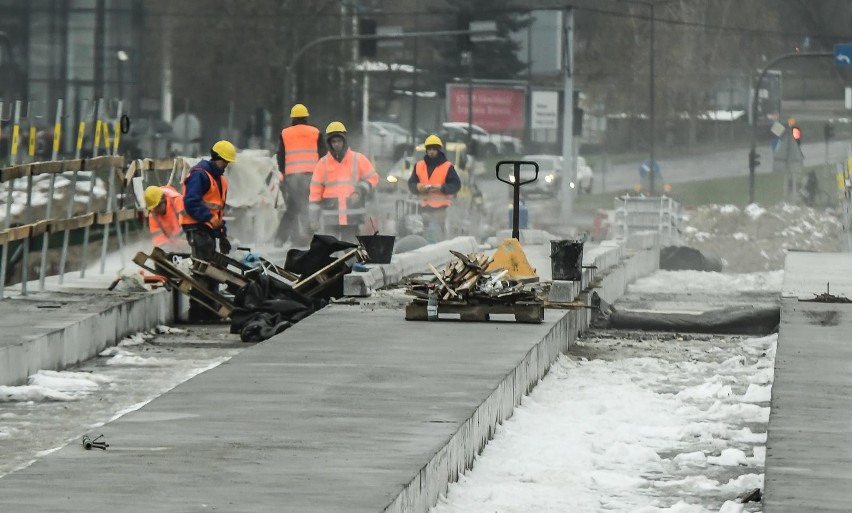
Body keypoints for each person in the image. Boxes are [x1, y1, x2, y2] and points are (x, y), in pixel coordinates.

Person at [179, 140, 236, 321]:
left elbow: (217, 212)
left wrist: (222, 234)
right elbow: (191, 202)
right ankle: (199, 311)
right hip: (197, 228)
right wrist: (209, 219)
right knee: (203, 270)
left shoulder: (219, 179)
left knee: (210, 269)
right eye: (224, 161)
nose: (226, 165)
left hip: (208, 229)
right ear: (215, 158)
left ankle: (209, 310)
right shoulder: (200, 175)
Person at [308, 121, 379, 242]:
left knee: (350, 249)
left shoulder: (358, 159)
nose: (337, 144)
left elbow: (373, 178)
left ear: (344, 141)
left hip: (352, 215)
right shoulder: (322, 163)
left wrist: (359, 190)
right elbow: (315, 193)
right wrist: (313, 219)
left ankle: (354, 261)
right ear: (329, 143)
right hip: (330, 217)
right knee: (331, 252)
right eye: (333, 141)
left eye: (339, 141)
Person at [274, 103, 324, 247]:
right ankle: (309, 238)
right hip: (312, 176)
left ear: (293, 118)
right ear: (306, 118)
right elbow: (323, 155)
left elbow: (280, 156)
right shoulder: (315, 132)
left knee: (293, 207)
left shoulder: (285, 133)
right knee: (310, 206)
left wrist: (283, 174)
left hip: (292, 177)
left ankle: (280, 239)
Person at [407, 134, 461, 242]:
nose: (431, 151)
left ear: (439, 150)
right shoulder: (419, 165)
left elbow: (456, 185)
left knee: (439, 236)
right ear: (426, 150)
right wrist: (418, 187)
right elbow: (411, 183)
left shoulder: (447, 166)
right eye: (429, 149)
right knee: (423, 234)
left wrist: (441, 187)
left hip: (440, 210)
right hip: (423, 208)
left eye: (434, 149)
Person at [144, 185, 188, 253]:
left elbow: (190, 223)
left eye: (158, 206)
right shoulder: (153, 215)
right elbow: (158, 240)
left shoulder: (177, 201)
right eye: (153, 208)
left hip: (188, 236)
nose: (156, 210)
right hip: (173, 243)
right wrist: (165, 250)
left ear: (164, 200)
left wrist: (183, 242)